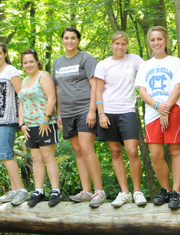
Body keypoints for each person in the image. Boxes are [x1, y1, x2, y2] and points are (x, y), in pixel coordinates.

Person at [135, 26, 180, 209]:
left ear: (165, 40)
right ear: (149, 42)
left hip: (173, 110)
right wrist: (158, 107)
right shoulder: (145, 65)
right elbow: (142, 91)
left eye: (159, 39)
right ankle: (165, 190)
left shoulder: (175, 62)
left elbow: (178, 86)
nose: (156, 43)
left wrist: (166, 110)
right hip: (152, 112)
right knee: (156, 155)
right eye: (153, 40)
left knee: (175, 151)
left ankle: (176, 192)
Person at [52, 26, 105, 208]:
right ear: (62, 40)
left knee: (86, 147)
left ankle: (100, 191)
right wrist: (58, 113)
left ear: (78, 40)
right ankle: (87, 191)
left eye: (73, 38)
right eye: (66, 38)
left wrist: (93, 111)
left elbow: (95, 87)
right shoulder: (57, 63)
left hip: (84, 109)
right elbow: (57, 89)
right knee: (78, 151)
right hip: (67, 113)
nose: (69, 41)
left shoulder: (86, 58)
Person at [94, 31, 147, 207]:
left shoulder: (134, 60)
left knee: (132, 151)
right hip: (107, 113)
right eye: (117, 43)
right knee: (115, 152)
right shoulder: (103, 65)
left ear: (127, 45)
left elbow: (149, 72)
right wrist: (101, 114)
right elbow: (98, 91)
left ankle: (137, 191)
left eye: (123, 44)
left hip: (128, 112)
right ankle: (124, 192)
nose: (120, 47)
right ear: (112, 44)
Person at [18, 49, 61, 207]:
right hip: (30, 126)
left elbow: (52, 98)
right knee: (36, 159)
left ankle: (55, 191)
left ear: (37, 61)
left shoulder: (44, 75)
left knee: (48, 157)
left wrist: (46, 119)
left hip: (45, 124)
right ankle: (39, 191)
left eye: (31, 61)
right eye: (25, 63)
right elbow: (21, 104)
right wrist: (22, 124)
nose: (28, 65)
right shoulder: (24, 81)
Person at [0, 42, 29, 206]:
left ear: (5, 53)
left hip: (10, 118)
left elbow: (21, 94)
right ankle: (14, 191)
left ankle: (21, 190)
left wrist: (22, 121)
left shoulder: (11, 70)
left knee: (5, 154)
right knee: (3, 154)